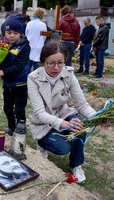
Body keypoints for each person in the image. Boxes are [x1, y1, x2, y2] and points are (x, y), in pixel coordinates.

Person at [27, 41, 96, 183]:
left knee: (80, 128)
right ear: (42, 61)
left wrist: (97, 116)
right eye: (51, 63)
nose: (56, 68)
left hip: (62, 113)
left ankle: (76, 164)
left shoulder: (69, 75)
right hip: (42, 122)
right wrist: (64, 124)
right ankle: (42, 143)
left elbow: (82, 104)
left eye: (60, 62)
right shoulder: (33, 78)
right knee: (63, 148)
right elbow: (40, 113)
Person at [0, 14, 30, 136]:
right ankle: (12, 129)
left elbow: (20, 66)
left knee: (19, 109)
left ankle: (21, 130)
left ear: (21, 33)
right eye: (9, 32)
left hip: (20, 84)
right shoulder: (3, 45)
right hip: (7, 83)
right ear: (5, 32)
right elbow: (0, 60)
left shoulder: (24, 46)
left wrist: (3, 72)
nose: (12, 35)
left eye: (15, 33)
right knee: (7, 108)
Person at [92, 15, 111, 80]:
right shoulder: (101, 27)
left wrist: (94, 44)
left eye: (97, 22)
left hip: (101, 46)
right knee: (97, 60)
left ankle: (99, 74)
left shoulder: (105, 28)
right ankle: (97, 72)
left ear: (101, 20)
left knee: (100, 60)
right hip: (98, 46)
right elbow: (98, 37)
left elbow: (100, 38)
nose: (96, 24)